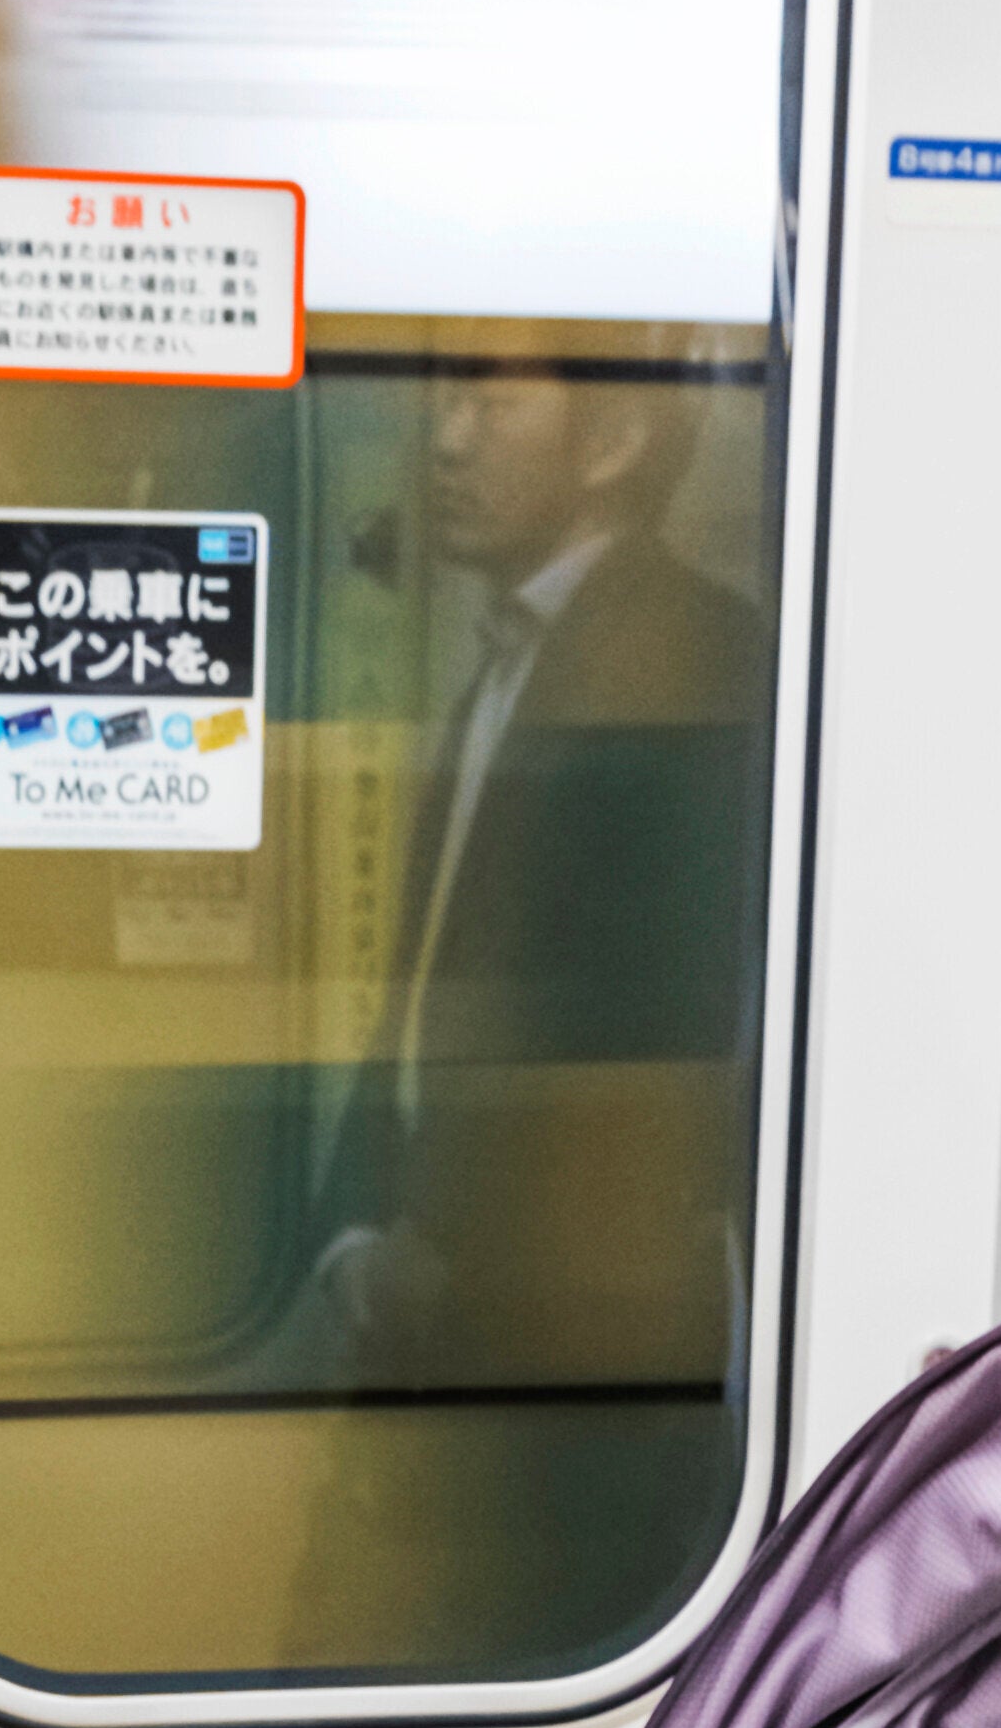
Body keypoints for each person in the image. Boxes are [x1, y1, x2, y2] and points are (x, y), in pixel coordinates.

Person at [316, 370, 770, 1391]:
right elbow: (424, 997)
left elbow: (657, 1021)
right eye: (447, 406)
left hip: (570, 1323)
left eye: (491, 405)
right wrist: (353, 1234)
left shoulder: (698, 658)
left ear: (610, 444)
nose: (446, 441)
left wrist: (462, 1258)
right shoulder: (499, 670)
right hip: (440, 1306)